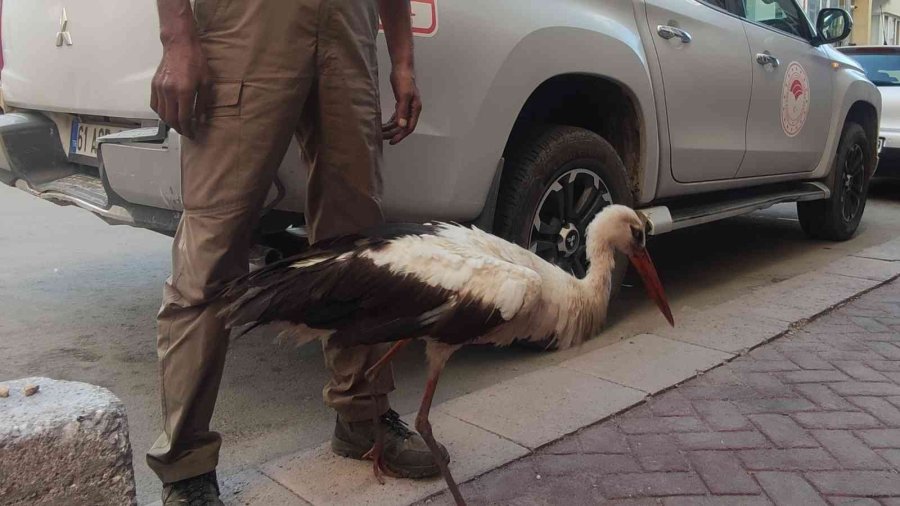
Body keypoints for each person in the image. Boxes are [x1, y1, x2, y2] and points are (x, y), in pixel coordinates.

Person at [147, 1, 442, 504]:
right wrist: (177, 38)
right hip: (248, 28)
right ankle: (186, 463)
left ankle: (362, 417)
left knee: (357, 245)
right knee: (213, 248)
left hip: (347, 35)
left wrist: (403, 62)